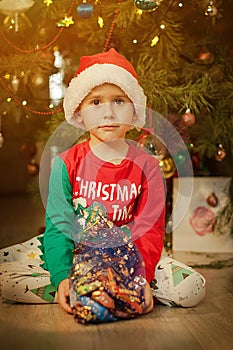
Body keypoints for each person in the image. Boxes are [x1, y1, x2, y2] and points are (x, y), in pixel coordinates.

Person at [0, 49, 205, 316]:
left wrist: (139, 278)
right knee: (4, 276)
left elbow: (150, 231)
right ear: (79, 113)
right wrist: (62, 277)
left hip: (132, 258)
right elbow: (59, 227)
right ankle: (78, 288)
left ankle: (103, 290)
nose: (108, 113)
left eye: (119, 100)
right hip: (75, 254)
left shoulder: (149, 167)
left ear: (134, 113)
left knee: (191, 288)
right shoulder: (65, 163)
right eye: (95, 102)